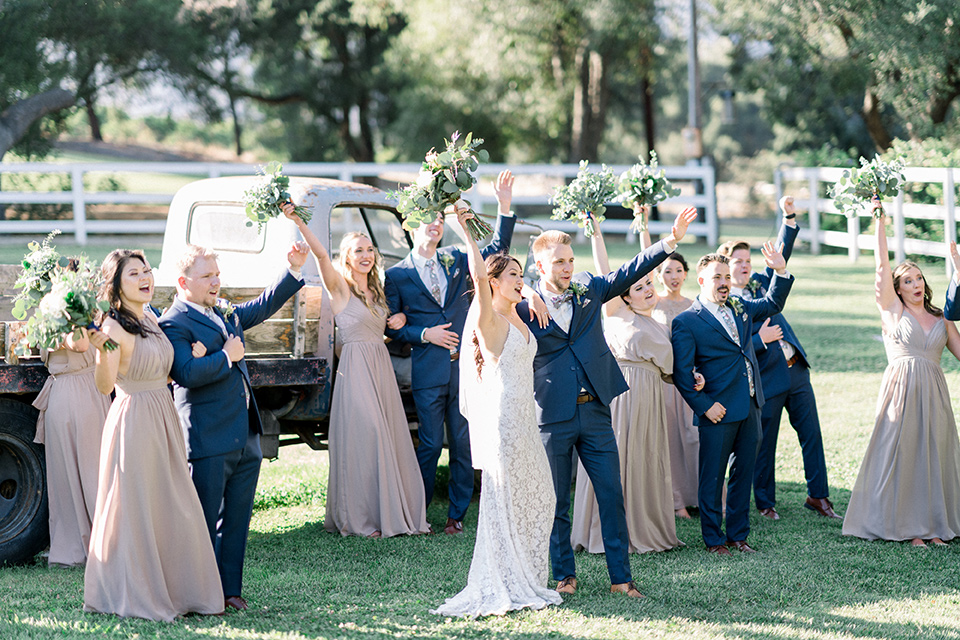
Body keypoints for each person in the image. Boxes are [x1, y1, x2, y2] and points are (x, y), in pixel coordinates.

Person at [516, 206, 698, 597]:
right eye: (558, 262)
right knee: (555, 502)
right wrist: (528, 290)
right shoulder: (523, 306)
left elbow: (629, 270)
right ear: (539, 263)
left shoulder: (590, 291)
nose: (567, 267)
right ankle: (564, 575)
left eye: (570, 260)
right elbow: (488, 288)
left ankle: (622, 579)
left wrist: (671, 240)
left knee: (612, 496)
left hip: (597, 410)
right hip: (552, 412)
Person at [159, 241, 308, 611]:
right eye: (207, 276)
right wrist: (226, 355)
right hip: (208, 436)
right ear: (183, 281)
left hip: (246, 433)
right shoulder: (172, 323)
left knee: (237, 519)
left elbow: (260, 307)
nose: (216, 282)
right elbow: (186, 374)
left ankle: (230, 591)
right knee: (204, 520)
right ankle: (197, 594)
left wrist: (292, 270)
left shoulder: (222, 312)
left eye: (217, 274)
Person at [432, 207, 561, 617]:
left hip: (527, 416)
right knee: (506, 497)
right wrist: (468, 234)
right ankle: (506, 576)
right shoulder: (490, 321)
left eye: (523, 276)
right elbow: (476, 274)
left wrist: (535, 293)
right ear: (493, 283)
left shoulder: (519, 315)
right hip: (505, 419)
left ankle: (526, 572)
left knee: (540, 492)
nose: (521, 281)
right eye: (514, 276)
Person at [84, 250, 223, 621]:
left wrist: (198, 352)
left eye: (147, 270)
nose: (146, 277)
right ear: (116, 284)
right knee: (139, 507)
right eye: (134, 274)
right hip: (135, 420)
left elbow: (167, 366)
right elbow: (104, 386)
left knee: (172, 502)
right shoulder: (112, 328)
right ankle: (140, 592)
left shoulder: (151, 317)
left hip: (164, 413)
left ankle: (181, 590)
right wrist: (103, 352)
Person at [280, 203, 430, 538]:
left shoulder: (376, 289)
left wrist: (400, 319)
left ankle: (387, 512)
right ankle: (360, 517)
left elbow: (386, 325)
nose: (366, 255)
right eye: (358, 251)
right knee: (369, 435)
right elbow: (320, 256)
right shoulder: (341, 288)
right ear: (347, 258)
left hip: (380, 366)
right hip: (355, 367)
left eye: (370, 250)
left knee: (390, 437)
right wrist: (298, 221)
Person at [384, 171, 517, 535]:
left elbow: (495, 254)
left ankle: (456, 515)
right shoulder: (396, 275)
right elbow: (390, 327)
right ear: (412, 224)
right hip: (428, 371)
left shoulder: (458, 259)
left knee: (461, 442)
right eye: (429, 217)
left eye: (440, 218)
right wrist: (424, 333)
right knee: (428, 444)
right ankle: (419, 512)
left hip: (466, 371)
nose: (436, 223)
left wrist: (504, 206)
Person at [570, 213, 697, 554]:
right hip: (621, 397)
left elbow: (673, 368)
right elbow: (605, 268)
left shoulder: (658, 321)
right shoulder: (616, 312)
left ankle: (644, 526)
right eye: (638, 288)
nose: (645, 291)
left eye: (647, 285)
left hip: (653, 397)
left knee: (646, 459)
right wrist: (596, 232)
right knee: (617, 459)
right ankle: (606, 530)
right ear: (624, 297)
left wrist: (693, 375)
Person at [842, 199, 960, 547]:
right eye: (907, 280)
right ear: (898, 289)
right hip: (901, 390)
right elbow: (882, 266)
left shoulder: (942, 319)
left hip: (934, 392)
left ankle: (935, 526)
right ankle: (909, 529)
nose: (916, 284)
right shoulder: (893, 312)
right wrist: (879, 219)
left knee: (933, 455)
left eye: (919, 278)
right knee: (904, 455)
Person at [717, 196, 839, 520]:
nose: (745, 265)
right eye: (737, 261)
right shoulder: (724, 303)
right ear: (724, 269)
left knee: (811, 433)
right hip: (766, 377)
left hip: (795, 368)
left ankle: (819, 496)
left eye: (747, 260)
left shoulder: (760, 285)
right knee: (764, 443)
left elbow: (779, 261)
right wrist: (760, 339)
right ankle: (765, 502)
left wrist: (788, 218)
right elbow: (732, 347)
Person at [671, 246, 793, 555]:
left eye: (727, 277)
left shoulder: (739, 305)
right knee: (712, 477)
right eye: (717, 277)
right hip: (717, 410)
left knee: (743, 473)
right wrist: (705, 406)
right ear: (700, 280)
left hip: (750, 403)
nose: (724, 282)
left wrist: (779, 271)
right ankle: (714, 540)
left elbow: (773, 302)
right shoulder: (687, 321)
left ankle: (739, 535)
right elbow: (683, 374)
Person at [632, 204, 699, 518]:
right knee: (670, 438)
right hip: (663, 380)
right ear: (658, 276)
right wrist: (643, 223)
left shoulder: (695, 304)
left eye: (678, 270)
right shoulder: (654, 300)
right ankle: (675, 500)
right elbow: (647, 257)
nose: (673, 276)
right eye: (667, 271)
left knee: (694, 436)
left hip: (689, 376)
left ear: (687, 273)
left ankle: (700, 494)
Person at [33, 321, 111, 568]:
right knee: (92, 471)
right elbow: (79, 344)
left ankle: (76, 546)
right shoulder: (67, 313)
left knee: (72, 473)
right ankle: (103, 545)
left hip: (65, 390)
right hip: (81, 392)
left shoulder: (47, 314)